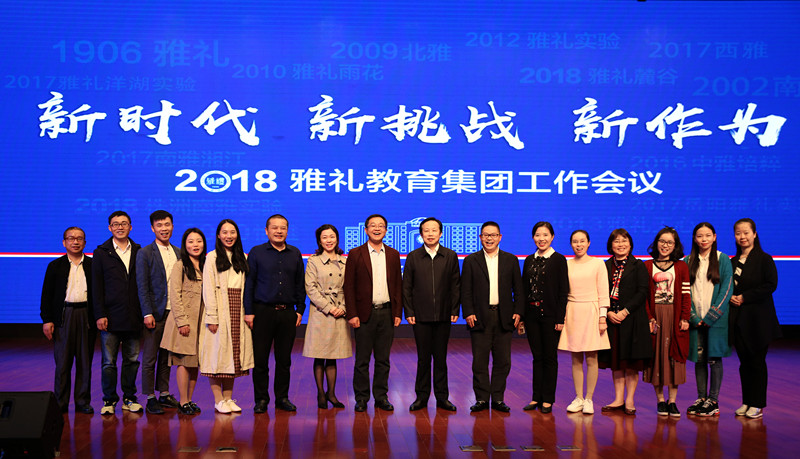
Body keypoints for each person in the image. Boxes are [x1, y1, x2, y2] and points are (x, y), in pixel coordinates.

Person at [244, 214, 306, 413]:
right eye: (274, 227)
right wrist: (249, 312)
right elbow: (249, 284)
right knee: (260, 360)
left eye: (283, 228)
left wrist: (300, 309)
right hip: (262, 312)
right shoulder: (257, 252)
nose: (279, 231)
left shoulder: (295, 253)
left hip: (287, 313)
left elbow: (300, 283)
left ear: (287, 230)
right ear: (266, 230)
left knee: (284, 360)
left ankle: (282, 398)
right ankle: (261, 399)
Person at [461, 221, 524, 413]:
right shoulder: (471, 260)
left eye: (493, 235)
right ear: (480, 237)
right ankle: (481, 399)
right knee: (479, 361)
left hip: (504, 316)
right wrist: (468, 312)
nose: (489, 238)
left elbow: (518, 289)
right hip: (479, 316)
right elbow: (466, 290)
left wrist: (518, 311)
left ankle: (498, 398)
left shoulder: (510, 260)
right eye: (486, 235)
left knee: (503, 361)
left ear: (500, 237)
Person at [344, 214, 403, 413]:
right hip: (363, 315)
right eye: (373, 225)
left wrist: (397, 312)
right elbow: (348, 287)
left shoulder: (393, 254)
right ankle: (361, 398)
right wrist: (352, 314)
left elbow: (398, 286)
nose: (377, 229)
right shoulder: (355, 253)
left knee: (383, 359)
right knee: (362, 360)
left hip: (386, 313)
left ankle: (381, 397)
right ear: (366, 230)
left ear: (385, 230)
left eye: (381, 226)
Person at [403, 217, 460, 412]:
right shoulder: (413, 257)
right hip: (420, 316)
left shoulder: (450, 255)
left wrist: (454, 309)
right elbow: (407, 287)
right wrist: (409, 311)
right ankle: (421, 397)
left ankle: (442, 398)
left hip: (444, 315)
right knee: (423, 359)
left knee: (441, 358)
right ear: (421, 234)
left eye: (434, 230)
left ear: (441, 233)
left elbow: (455, 285)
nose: (430, 234)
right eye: (426, 230)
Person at [200, 219, 253, 414]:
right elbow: (208, 288)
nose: (228, 236)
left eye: (232, 232)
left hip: (238, 309)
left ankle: (228, 399)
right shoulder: (212, 257)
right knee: (216, 357)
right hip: (220, 309)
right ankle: (218, 400)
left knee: (234, 357)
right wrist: (212, 316)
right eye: (224, 232)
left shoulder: (243, 257)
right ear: (218, 235)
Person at [40, 227, 95, 414]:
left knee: (84, 361)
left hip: (86, 315)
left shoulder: (92, 265)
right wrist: (47, 320)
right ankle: (60, 403)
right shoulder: (55, 266)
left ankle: (82, 401)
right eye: (71, 238)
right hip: (64, 316)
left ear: (85, 243)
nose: (75, 242)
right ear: (64, 242)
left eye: (79, 238)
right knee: (62, 363)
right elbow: (46, 296)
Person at [729, 218, 780, 419]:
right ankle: (747, 401)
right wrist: (731, 296)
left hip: (759, 321)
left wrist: (745, 297)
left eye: (746, 232)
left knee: (757, 363)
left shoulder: (764, 259)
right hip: (739, 321)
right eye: (738, 233)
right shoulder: (732, 262)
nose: (742, 237)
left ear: (754, 234)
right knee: (744, 364)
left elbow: (770, 285)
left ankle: (757, 404)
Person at [93, 210, 143, 415]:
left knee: (132, 361)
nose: (120, 227)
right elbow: (96, 287)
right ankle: (109, 400)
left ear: (130, 227)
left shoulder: (139, 251)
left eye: (124, 223)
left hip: (133, 317)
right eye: (115, 224)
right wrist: (99, 314)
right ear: (109, 228)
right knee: (108, 363)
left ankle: (129, 398)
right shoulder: (101, 252)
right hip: (110, 317)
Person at [599, 229, 652, 416]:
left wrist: (624, 311)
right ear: (610, 245)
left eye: (624, 241)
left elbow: (642, 292)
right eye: (616, 241)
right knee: (617, 361)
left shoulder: (638, 265)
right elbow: (600, 291)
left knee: (631, 362)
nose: (620, 244)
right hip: (612, 319)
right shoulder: (605, 266)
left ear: (630, 244)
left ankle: (630, 400)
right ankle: (618, 398)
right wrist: (608, 313)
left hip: (632, 320)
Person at [558, 230, 610, 415]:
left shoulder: (598, 263)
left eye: (582, 241)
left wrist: (602, 317)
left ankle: (589, 399)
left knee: (592, 357)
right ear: (571, 244)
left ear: (588, 243)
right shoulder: (566, 264)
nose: (578, 245)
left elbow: (603, 292)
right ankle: (578, 397)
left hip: (592, 312)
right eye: (575, 241)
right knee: (576, 357)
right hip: (572, 310)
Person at [684, 223, 733, 417]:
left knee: (714, 358)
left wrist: (712, 316)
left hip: (716, 320)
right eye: (699, 236)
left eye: (707, 235)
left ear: (714, 237)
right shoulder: (688, 261)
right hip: (696, 320)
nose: (703, 239)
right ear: (694, 239)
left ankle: (713, 400)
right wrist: (693, 317)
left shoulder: (723, 259)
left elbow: (727, 289)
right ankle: (701, 398)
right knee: (699, 359)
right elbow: (684, 292)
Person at [519, 222, 568, 414]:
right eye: (538, 235)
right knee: (537, 357)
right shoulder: (529, 260)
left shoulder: (559, 260)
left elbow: (563, 291)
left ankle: (548, 399)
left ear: (552, 237)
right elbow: (524, 290)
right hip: (532, 316)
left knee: (550, 357)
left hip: (550, 317)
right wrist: (522, 316)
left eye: (545, 235)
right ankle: (535, 397)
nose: (542, 239)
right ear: (533, 238)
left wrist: (560, 318)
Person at [135, 210, 180, 414]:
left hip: (174, 313)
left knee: (166, 357)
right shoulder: (145, 253)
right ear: (153, 228)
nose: (164, 228)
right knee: (150, 358)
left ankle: (164, 393)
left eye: (167, 224)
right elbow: (142, 286)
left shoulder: (179, 252)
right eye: (159, 225)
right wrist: (147, 313)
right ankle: (150, 397)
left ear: (172, 226)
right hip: (154, 313)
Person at [302, 224, 352, 410]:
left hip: (340, 311)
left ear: (337, 239)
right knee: (320, 355)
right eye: (325, 237)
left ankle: (331, 393)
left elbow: (350, 287)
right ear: (319, 241)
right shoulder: (313, 261)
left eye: (332, 237)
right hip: (321, 313)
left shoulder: (346, 261)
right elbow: (310, 288)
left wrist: (343, 307)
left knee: (333, 356)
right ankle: (320, 394)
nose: (329, 240)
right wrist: (329, 308)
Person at [643, 227, 691, 417]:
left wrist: (685, 317)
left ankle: (672, 401)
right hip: (655, 315)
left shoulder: (681, 267)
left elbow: (686, 294)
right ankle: (660, 401)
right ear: (656, 243)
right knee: (657, 357)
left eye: (670, 242)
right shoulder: (647, 265)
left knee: (674, 358)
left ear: (675, 245)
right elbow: (644, 297)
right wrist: (649, 317)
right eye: (662, 241)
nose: (665, 245)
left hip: (674, 314)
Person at [161, 228, 207, 416]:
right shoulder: (180, 265)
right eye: (191, 241)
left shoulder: (207, 265)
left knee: (194, 363)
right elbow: (174, 295)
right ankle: (183, 401)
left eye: (199, 241)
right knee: (183, 362)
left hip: (201, 322)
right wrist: (182, 322)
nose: (195, 245)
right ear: (184, 245)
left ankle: (189, 399)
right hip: (184, 322)